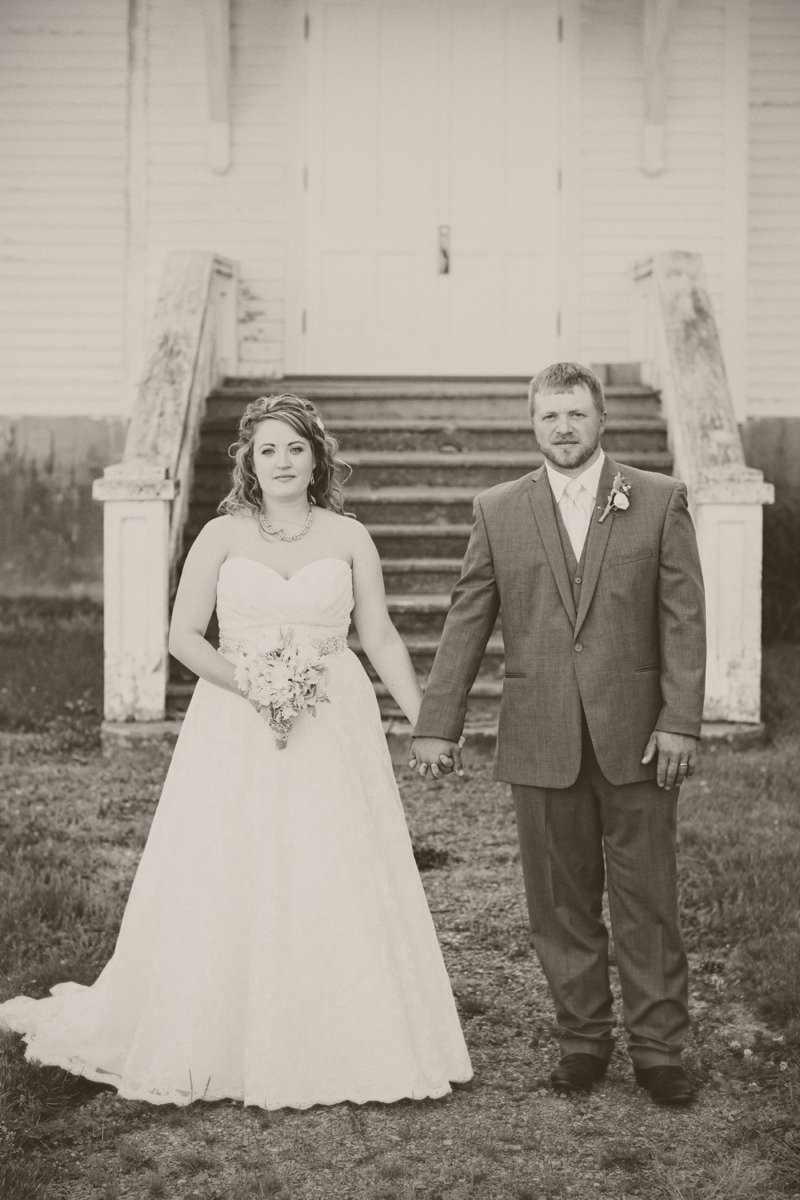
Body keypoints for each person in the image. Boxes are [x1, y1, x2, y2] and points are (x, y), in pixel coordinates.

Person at [0, 393, 472, 1109]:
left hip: (331, 718)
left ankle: (342, 1027)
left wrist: (425, 721)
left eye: (294, 448)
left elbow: (376, 638)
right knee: (232, 856)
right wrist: (251, 685)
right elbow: (183, 636)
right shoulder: (222, 535)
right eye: (267, 450)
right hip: (235, 717)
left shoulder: (350, 536)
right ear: (250, 462)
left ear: (317, 456)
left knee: (333, 855)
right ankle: (220, 1029)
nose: (282, 462)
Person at [411, 362, 705, 1107]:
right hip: (540, 736)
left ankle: (660, 1050)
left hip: (638, 739)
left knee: (649, 900)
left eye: (577, 414)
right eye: (550, 416)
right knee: (559, 904)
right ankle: (582, 1041)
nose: (564, 428)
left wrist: (679, 720)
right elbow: (468, 616)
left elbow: (683, 619)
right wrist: (437, 725)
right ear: (533, 423)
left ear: (602, 421)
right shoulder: (499, 508)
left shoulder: (659, 498)